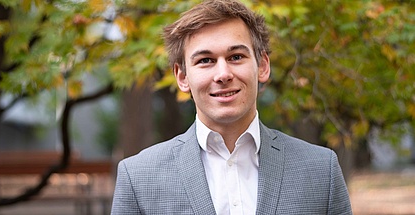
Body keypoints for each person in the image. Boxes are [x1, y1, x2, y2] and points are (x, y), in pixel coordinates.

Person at [111, 0, 352, 214]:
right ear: (182, 77)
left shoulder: (321, 171)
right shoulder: (138, 178)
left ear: (262, 66)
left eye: (236, 56)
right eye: (205, 61)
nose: (223, 74)